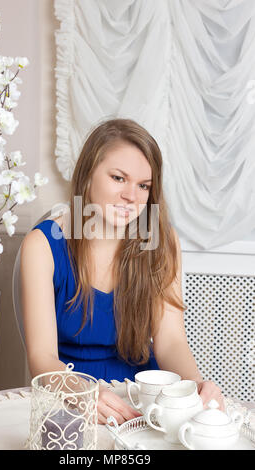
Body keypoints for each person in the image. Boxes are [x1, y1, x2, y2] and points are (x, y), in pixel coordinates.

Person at [20, 118, 224, 425]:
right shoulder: (42, 245)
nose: (132, 196)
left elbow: (170, 340)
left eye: (143, 185)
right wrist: (85, 393)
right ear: (88, 175)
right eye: (118, 178)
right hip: (71, 396)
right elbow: (41, 357)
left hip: (142, 399)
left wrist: (194, 386)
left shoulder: (162, 241)